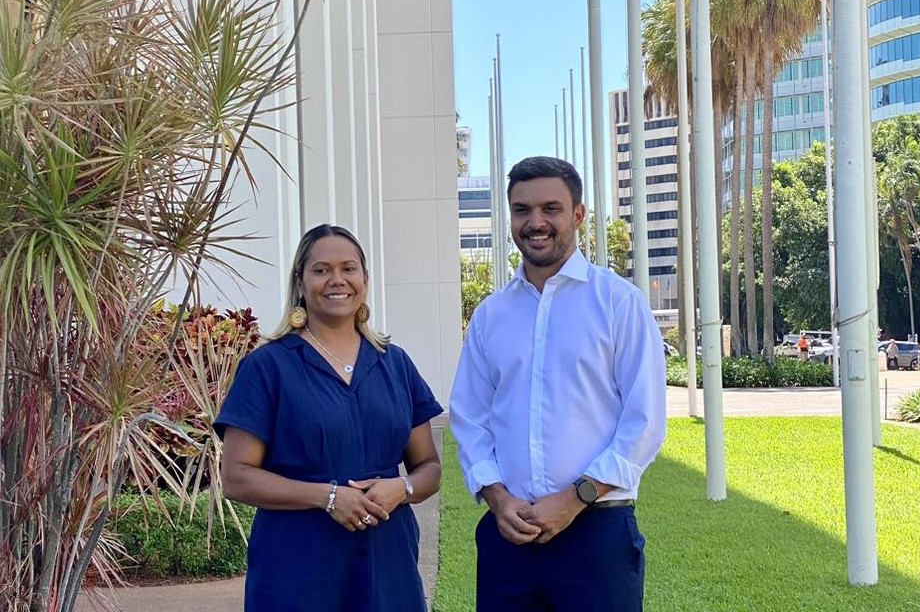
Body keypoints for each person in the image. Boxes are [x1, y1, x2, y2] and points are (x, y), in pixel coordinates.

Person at [450, 156, 667, 612]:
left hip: (597, 531)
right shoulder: (491, 315)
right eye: (522, 210)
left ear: (579, 215)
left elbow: (643, 424)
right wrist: (496, 497)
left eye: (551, 208)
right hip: (508, 534)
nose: (536, 222)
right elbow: (470, 417)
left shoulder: (619, 304)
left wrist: (574, 500)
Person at [214, 224, 443, 612]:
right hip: (298, 565)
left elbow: (430, 467)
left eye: (348, 268)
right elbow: (237, 477)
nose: (337, 280)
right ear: (301, 282)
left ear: (365, 280)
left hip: (388, 561)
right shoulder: (268, 367)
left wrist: (400, 489)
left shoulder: (396, 363)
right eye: (321, 270)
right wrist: (328, 497)